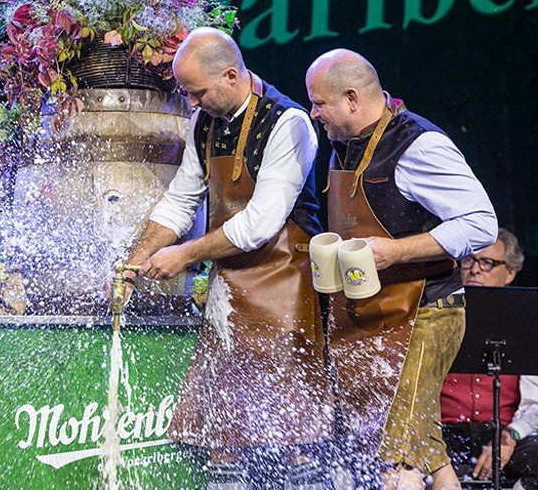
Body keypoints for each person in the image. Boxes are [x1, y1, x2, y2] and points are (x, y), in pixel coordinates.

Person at [126, 27, 333, 487]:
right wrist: (136, 262)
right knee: (224, 430)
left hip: (284, 279)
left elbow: (260, 222)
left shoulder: (289, 122)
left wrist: (185, 254)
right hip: (230, 280)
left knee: (292, 432)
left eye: (197, 92)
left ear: (231, 75)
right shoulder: (205, 122)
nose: (192, 102)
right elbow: (181, 199)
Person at [305, 49, 498, 489]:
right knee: (424, 442)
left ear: (352, 98)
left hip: (427, 313)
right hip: (379, 317)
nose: (314, 113)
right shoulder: (344, 146)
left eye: (319, 102)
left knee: (397, 455)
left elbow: (481, 223)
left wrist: (395, 252)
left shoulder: (418, 144)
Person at [439, 228, 538, 489]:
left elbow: (535, 402)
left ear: (511, 272)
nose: (475, 270)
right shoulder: (435, 319)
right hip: (445, 433)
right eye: (468, 260)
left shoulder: (526, 323)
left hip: (504, 433)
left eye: (487, 262)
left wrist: (510, 436)